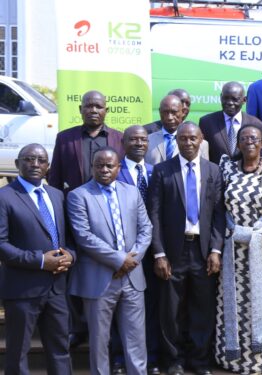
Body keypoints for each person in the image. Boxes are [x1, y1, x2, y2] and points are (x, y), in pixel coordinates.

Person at [47, 90, 124, 348]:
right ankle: (77, 328)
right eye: (88, 106)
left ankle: (107, 333)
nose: (93, 110)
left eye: (98, 106)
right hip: (72, 217)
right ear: (80, 110)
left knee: (106, 272)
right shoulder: (65, 139)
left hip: (109, 219)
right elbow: (55, 181)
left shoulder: (119, 139)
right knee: (73, 272)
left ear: (106, 110)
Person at [213, 123, 262, 374]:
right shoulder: (226, 168)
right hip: (233, 250)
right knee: (234, 303)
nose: (249, 141)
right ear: (237, 144)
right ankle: (234, 358)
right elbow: (220, 208)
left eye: (254, 138)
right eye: (244, 138)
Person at [148, 122, 226, 375]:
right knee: (171, 311)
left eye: (193, 138)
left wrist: (216, 250)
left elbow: (218, 215)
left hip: (203, 252)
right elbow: (155, 215)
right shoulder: (162, 171)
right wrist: (159, 253)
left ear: (201, 139)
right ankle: (175, 361)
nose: (189, 143)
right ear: (177, 141)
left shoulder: (213, 171)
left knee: (202, 309)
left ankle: (199, 361)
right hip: (172, 252)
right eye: (183, 139)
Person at [67, 147, 152, 375]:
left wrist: (131, 261)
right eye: (99, 166)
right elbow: (83, 236)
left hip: (133, 279)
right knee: (99, 342)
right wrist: (119, 260)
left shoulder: (132, 192)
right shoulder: (78, 196)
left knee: (136, 340)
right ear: (92, 167)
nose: (104, 170)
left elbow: (146, 229)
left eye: (109, 166)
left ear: (119, 167)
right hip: (99, 280)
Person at [0, 144, 75, 375]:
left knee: (60, 350)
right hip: (22, 290)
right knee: (18, 352)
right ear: (17, 164)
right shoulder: (4, 197)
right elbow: (1, 244)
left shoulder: (57, 195)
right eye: (29, 159)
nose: (35, 164)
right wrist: (41, 261)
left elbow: (70, 238)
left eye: (41, 160)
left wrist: (70, 256)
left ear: (48, 167)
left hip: (56, 289)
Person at [110, 125, 160, 375]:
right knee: (121, 308)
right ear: (123, 143)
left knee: (150, 308)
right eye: (133, 139)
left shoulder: (155, 171)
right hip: (124, 256)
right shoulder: (113, 172)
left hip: (153, 253)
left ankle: (150, 357)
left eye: (143, 139)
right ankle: (119, 359)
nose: (139, 143)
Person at [199, 81, 262, 164]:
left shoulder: (257, 125)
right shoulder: (206, 122)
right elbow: (202, 156)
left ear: (244, 100)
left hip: (245, 176)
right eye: (226, 98)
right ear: (220, 97)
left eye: (235, 99)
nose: (230, 103)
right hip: (216, 176)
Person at [146, 96, 209, 165]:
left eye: (174, 112)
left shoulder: (201, 144)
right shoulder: (147, 141)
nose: (169, 117)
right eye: (165, 112)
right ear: (159, 112)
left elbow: (204, 171)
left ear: (183, 112)